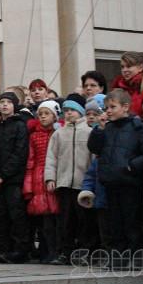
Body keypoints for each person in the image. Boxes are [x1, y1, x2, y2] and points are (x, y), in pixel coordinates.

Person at [88, 89, 143, 267]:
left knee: (132, 221)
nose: (107, 111)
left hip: (130, 182)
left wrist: (133, 165)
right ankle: (118, 258)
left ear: (125, 107)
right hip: (110, 182)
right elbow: (94, 147)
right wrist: (99, 129)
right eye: (106, 107)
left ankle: (136, 257)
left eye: (112, 107)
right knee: (114, 223)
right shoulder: (107, 128)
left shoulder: (138, 127)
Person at [44, 94, 93, 265]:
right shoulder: (58, 134)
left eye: (72, 110)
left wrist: (92, 181)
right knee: (65, 221)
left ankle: (84, 252)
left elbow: (93, 158)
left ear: (80, 112)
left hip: (82, 185)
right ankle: (65, 252)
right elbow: (51, 157)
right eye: (66, 110)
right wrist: (50, 178)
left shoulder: (89, 132)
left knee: (84, 221)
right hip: (64, 184)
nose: (69, 113)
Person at [0, 92, 30, 264]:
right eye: (2, 102)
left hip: (12, 180)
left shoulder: (20, 126)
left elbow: (19, 153)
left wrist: (2, 176)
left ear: (14, 106)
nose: (4, 105)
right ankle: (3, 250)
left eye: (8, 102)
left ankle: (19, 250)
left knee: (16, 215)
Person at [23, 100, 61, 264]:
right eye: (41, 114)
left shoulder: (58, 134)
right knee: (42, 220)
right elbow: (30, 161)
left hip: (54, 176)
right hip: (38, 178)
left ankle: (55, 251)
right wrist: (28, 185)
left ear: (54, 116)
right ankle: (45, 251)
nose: (43, 117)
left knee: (55, 219)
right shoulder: (34, 135)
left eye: (47, 114)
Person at [111, 52, 143, 116]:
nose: (124, 70)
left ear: (140, 68)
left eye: (129, 66)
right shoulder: (119, 88)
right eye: (122, 67)